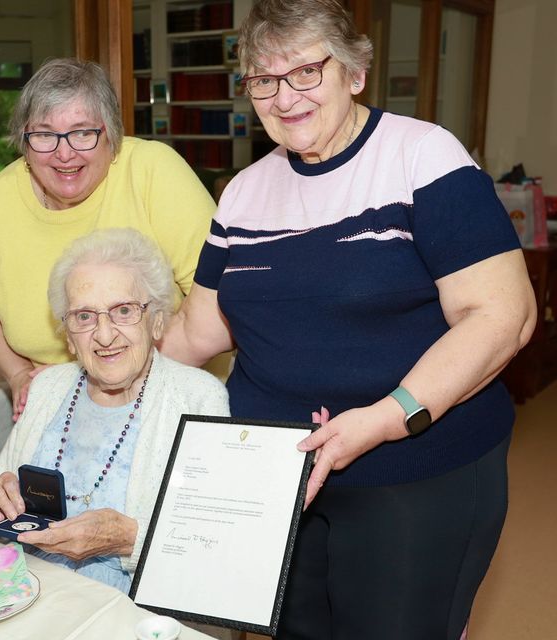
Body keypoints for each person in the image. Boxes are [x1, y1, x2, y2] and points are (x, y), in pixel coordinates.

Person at [160, 1, 537, 638]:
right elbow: (199, 331)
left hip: (414, 468)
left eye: (306, 72)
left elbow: (503, 316)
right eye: (264, 80)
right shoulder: (243, 191)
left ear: (354, 73)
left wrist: (388, 417)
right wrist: (95, 369)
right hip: (281, 478)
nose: (285, 97)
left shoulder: (423, 158)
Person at [0, 58, 217, 420]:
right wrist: (17, 373)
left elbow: (217, 294)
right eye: (44, 134)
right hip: (53, 405)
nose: (64, 152)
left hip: (171, 392)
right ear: (24, 143)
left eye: (82, 132)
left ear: (112, 136)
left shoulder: (154, 171)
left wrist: (99, 380)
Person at [0, 228, 229, 593]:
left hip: (135, 609)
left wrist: (128, 539)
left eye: (124, 311)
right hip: (29, 590)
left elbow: (213, 540)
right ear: (68, 336)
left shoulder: (198, 397)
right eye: (84, 317)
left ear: (156, 321)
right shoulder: (48, 387)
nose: (105, 335)